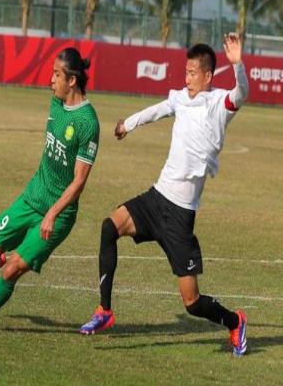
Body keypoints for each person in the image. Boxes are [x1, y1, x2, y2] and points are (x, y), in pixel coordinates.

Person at [79, 34, 249, 357]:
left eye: (192, 73)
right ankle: (104, 310)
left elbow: (242, 93)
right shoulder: (181, 98)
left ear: (208, 76)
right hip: (156, 199)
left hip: (179, 216)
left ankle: (235, 321)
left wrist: (238, 63)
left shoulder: (220, 104)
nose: (187, 78)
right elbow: (158, 110)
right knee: (109, 226)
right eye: (185, 72)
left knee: (192, 302)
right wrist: (128, 124)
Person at [0, 48, 100, 331]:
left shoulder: (88, 123)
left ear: (72, 80)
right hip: (33, 197)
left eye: (56, 75)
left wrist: (52, 214)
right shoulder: (56, 103)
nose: (51, 80)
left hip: (58, 215)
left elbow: (79, 182)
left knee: (11, 271)